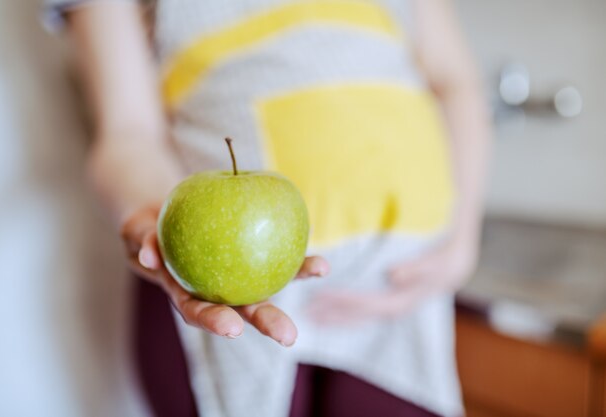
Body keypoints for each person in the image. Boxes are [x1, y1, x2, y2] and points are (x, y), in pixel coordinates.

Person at [44, 0, 490, 416]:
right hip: (212, 292)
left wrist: (464, 239)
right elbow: (128, 133)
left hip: (400, 295)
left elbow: (453, 81)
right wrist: (149, 214)